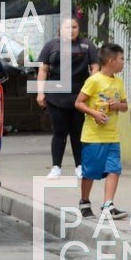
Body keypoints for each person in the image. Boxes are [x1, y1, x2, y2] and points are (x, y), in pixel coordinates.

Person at [37, 18, 99, 179]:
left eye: (74, 27)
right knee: (59, 132)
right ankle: (56, 167)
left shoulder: (87, 45)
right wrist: (40, 92)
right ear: (60, 29)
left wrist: (92, 90)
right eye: (67, 27)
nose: (71, 30)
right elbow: (43, 70)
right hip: (56, 97)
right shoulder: (51, 46)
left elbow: (95, 68)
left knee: (77, 133)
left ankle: (79, 166)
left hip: (80, 97)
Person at [74, 43, 129, 219]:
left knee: (114, 169)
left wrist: (118, 105)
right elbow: (79, 102)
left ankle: (108, 205)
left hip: (112, 135)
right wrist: (95, 113)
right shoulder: (94, 80)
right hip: (93, 136)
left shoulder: (119, 82)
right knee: (90, 171)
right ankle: (84, 201)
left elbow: (125, 106)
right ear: (111, 60)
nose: (123, 63)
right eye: (121, 59)